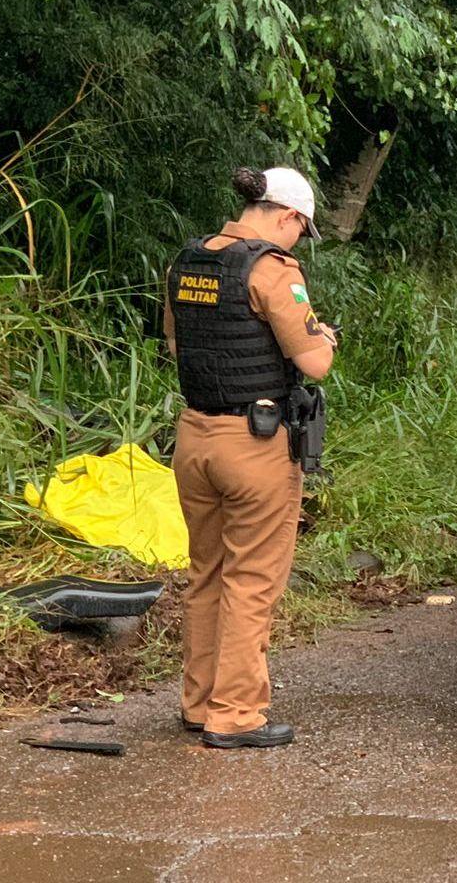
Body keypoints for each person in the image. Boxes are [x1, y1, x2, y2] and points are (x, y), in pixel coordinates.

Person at [163, 166, 337, 749]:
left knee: (206, 573)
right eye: (301, 230)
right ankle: (235, 714)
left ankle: (197, 702)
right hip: (254, 445)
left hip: (194, 439)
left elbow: (175, 344)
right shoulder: (270, 269)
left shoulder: (189, 262)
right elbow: (313, 363)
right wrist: (326, 338)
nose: (297, 242)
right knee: (252, 580)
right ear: (288, 216)